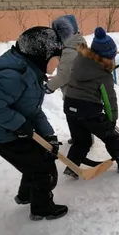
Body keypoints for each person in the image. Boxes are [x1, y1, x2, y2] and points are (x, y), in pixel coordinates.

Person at [0, 26, 68, 221]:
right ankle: (42, 208)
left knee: (37, 157)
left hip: (13, 129)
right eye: (57, 58)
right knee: (41, 166)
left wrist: (48, 135)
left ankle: (26, 194)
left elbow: (33, 109)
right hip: (2, 134)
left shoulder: (32, 73)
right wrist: (19, 124)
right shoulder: (14, 76)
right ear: (42, 56)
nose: (58, 64)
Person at [63, 27, 119, 179]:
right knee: (110, 137)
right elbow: (109, 100)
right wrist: (112, 120)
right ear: (106, 57)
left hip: (69, 105)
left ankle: (72, 167)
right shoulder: (103, 74)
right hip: (89, 110)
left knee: (81, 141)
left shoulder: (80, 60)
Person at [44, 14, 94, 146]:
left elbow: (64, 75)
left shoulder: (69, 51)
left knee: (74, 118)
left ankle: (81, 140)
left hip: (74, 94)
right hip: (82, 91)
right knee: (81, 118)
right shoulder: (79, 44)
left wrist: (49, 87)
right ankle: (83, 137)